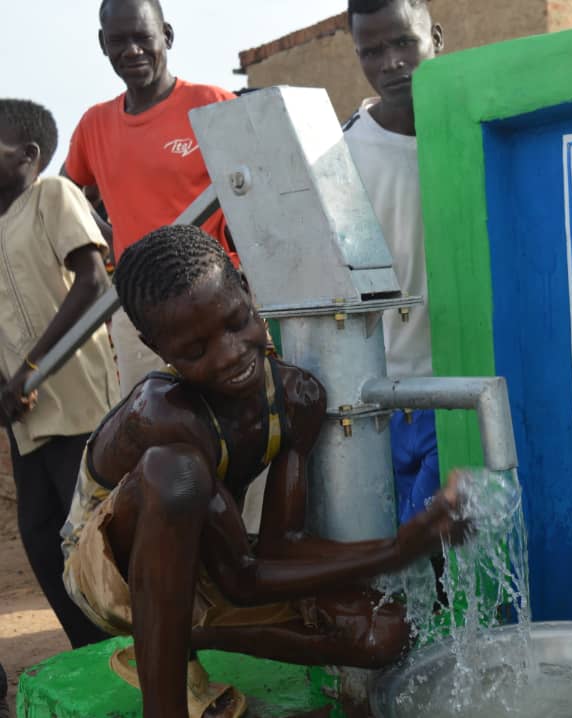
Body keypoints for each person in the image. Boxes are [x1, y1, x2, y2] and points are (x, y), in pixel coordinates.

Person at [61, 225, 470, 718]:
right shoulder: (163, 414)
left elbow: (282, 547)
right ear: (157, 347)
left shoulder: (296, 398)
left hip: (207, 558)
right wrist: (396, 550)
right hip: (109, 572)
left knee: (382, 632)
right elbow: (243, 581)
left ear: (245, 287)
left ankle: (167, 637)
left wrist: (409, 548)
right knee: (176, 473)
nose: (230, 352)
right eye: (196, 351)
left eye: (237, 322)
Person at [61, 0, 236, 395]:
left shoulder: (211, 103)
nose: (132, 50)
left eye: (143, 37)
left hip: (214, 296)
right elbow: (65, 195)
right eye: (119, 40)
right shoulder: (94, 124)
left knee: (234, 423)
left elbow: (261, 190)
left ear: (167, 36)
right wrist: (112, 237)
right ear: (103, 44)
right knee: (153, 424)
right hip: (137, 309)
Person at [0, 99, 116, 650]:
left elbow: (93, 280)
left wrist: (31, 369)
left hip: (75, 399)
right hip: (22, 415)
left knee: (90, 533)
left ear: (29, 154)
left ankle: (132, 649)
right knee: (41, 535)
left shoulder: (51, 195)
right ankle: (88, 653)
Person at [344, 0, 444, 525]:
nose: (391, 63)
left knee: (458, 565)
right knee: (396, 567)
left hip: (460, 390)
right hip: (378, 401)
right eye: (373, 51)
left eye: (404, 42)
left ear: (436, 38)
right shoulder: (339, 157)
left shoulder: (473, 132)